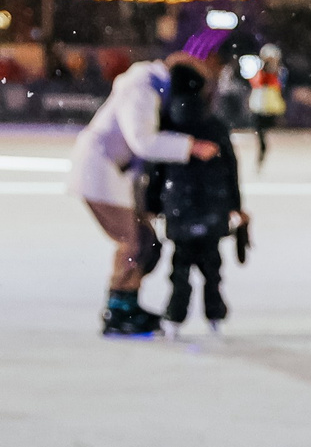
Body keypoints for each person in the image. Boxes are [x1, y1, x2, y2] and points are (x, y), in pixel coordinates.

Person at [67, 53, 218, 336]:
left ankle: (126, 302)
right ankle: (119, 309)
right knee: (134, 241)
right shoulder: (142, 88)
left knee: (146, 241)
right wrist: (191, 147)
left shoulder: (150, 86)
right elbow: (142, 142)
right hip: (100, 171)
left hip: (113, 172)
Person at [156, 71, 249, 331]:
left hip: (179, 204)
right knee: (212, 264)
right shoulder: (215, 125)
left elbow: (157, 169)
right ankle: (215, 312)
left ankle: (175, 314)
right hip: (213, 204)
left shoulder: (167, 124)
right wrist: (235, 204)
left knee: (181, 265)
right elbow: (231, 166)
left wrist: (153, 205)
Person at [247, 44, 286, 169]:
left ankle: (263, 156)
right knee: (260, 131)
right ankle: (262, 155)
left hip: (269, 104)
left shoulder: (276, 72)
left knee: (265, 130)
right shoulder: (262, 71)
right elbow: (256, 82)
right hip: (261, 104)